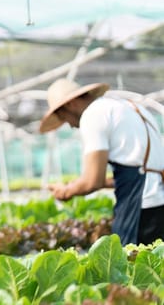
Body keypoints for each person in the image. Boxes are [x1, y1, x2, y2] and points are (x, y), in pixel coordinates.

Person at [40, 78, 164, 246]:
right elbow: (141, 172)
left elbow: (92, 181)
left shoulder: (93, 115)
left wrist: (66, 191)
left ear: (70, 104)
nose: (69, 125)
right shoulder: (129, 107)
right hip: (158, 203)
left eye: (63, 117)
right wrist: (82, 183)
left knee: (129, 265)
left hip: (141, 211)